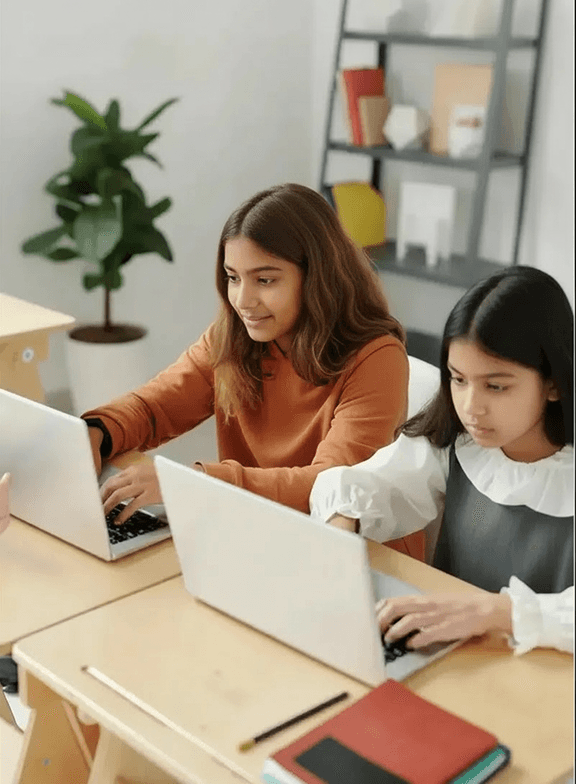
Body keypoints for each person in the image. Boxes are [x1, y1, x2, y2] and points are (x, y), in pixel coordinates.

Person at [85, 183, 423, 556]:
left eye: (265, 280)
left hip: (361, 558)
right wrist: (97, 431)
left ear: (317, 277)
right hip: (260, 533)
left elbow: (329, 487)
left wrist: (192, 481)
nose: (243, 301)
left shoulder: (377, 358)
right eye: (233, 277)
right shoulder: (232, 337)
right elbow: (157, 405)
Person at [311, 265, 574, 655]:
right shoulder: (458, 444)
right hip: (451, 657)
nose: (470, 407)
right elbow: (372, 485)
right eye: (458, 379)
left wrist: (497, 611)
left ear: (553, 383)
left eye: (495, 386)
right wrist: (340, 529)